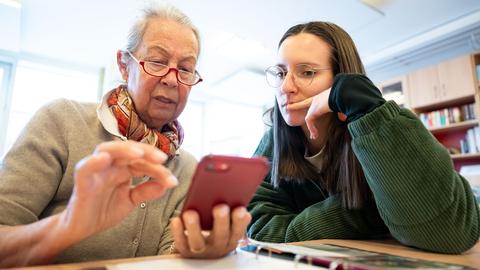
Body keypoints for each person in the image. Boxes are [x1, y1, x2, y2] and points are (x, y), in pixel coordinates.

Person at [0, 4, 249, 267]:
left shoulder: (187, 168)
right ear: (124, 65)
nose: (172, 79)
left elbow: (165, 261)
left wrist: (197, 252)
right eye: (157, 61)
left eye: (186, 68)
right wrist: (66, 226)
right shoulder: (60, 121)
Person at [247, 21, 480, 254]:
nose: (285, 86)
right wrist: (367, 213)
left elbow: (449, 234)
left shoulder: (386, 126)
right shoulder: (274, 140)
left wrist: (365, 109)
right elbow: (258, 225)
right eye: (281, 73)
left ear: (341, 78)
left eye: (307, 72)